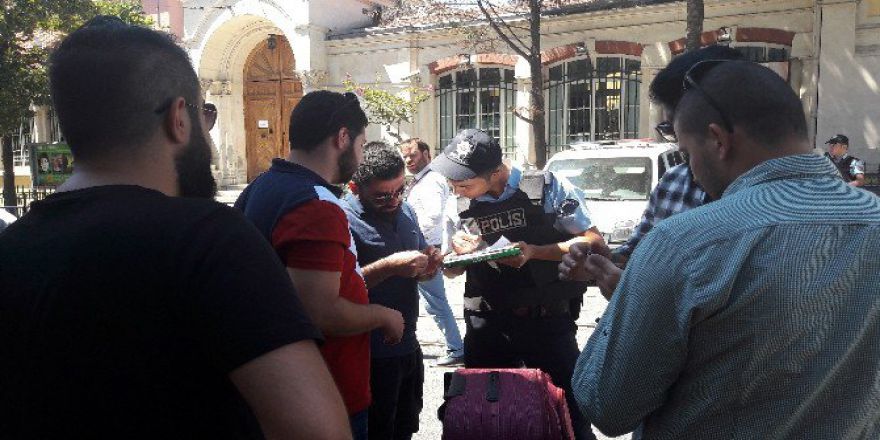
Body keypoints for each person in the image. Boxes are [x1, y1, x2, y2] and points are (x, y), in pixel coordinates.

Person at [0, 16, 350, 439]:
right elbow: (317, 430)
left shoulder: (12, 248)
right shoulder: (211, 242)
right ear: (179, 118)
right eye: (205, 114)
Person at [571, 60, 880, 438]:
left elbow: (606, 405)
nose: (691, 172)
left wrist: (629, 304)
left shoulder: (682, 243)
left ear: (718, 140)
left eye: (686, 155)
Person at [235, 90, 404, 439]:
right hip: (323, 395)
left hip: (279, 389)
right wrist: (384, 315)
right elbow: (320, 312)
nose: (360, 155)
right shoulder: (315, 205)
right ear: (342, 137)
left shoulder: (262, 187)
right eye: (360, 143)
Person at [433, 128, 609, 440]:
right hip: (487, 323)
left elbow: (594, 242)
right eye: (453, 183)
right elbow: (449, 270)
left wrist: (535, 252)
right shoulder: (458, 203)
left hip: (547, 319)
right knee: (484, 417)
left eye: (464, 184)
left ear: (495, 172)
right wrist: (457, 255)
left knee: (569, 413)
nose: (456, 190)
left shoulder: (547, 186)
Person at [561, 45, 742, 297]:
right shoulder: (674, 182)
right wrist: (605, 262)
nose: (676, 143)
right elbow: (638, 252)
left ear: (717, 135)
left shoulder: (776, 207)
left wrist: (635, 296)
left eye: (672, 127)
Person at [344, 143, 442, 440]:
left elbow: (416, 272)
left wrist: (428, 268)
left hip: (408, 346)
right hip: (369, 356)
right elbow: (336, 289)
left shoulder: (405, 208)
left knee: (405, 427)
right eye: (383, 196)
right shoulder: (340, 219)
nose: (394, 200)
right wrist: (389, 266)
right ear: (354, 187)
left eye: (400, 190)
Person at [399, 138, 464, 366]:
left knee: (435, 302)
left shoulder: (432, 180)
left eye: (413, 155)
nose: (408, 160)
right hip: (421, 248)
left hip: (426, 249)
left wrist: (415, 238)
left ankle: (456, 349)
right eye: (405, 156)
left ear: (426, 154)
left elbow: (433, 217)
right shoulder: (421, 180)